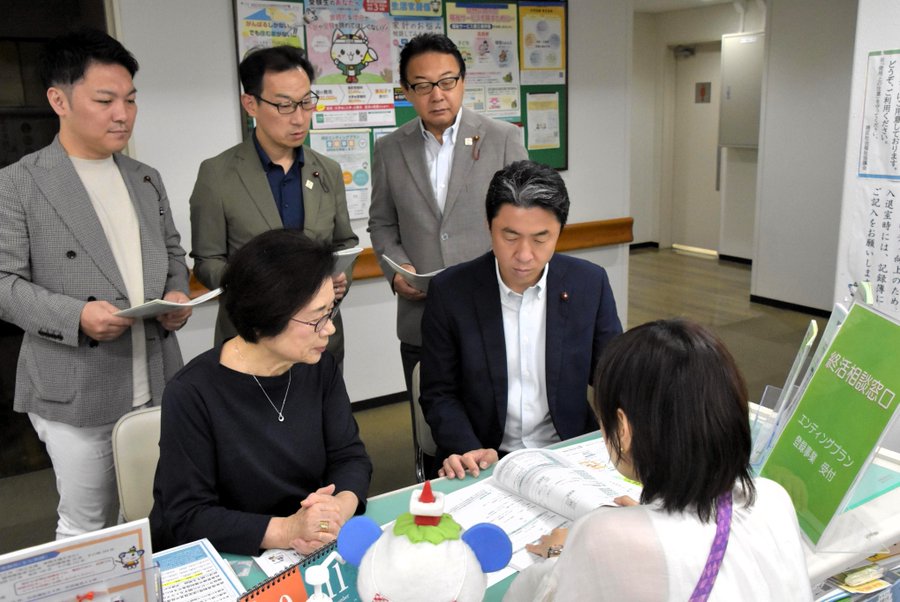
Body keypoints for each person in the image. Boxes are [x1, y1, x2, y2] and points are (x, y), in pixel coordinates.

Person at [0, 29, 191, 538]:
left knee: (163, 512)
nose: (122, 114)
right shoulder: (19, 183)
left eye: (130, 99)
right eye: (105, 101)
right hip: (77, 386)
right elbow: (3, 283)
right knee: (90, 527)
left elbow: (173, 252)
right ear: (58, 100)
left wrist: (177, 293)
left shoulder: (145, 177)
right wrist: (76, 316)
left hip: (157, 376)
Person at [503, 320, 812, 601]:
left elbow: (530, 595)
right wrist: (645, 524)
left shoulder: (603, 536)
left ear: (623, 429)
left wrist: (560, 553)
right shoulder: (773, 498)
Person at [150, 230, 372, 555]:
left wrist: (336, 511)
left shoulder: (318, 366)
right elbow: (188, 515)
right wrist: (287, 530)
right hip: (227, 553)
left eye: (331, 311)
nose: (330, 328)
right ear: (266, 317)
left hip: (304, 546)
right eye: (317, 318)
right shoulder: (192, 393)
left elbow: (350, 457)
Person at [420, 160, 622, 478]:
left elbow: (615, 377)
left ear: (560, 232)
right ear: (489, 226)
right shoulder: (451, 292)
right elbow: (439, 393)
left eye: (540, 239)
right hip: (485, 459)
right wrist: (468, 449)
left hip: (567, 452)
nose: (525, 255)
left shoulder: (589, 284)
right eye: (510, 236)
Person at [368, 32, 529, 406]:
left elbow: (525, 218)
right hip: (421, 314)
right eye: (423, 85)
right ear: (406, 91)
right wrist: (396, 270)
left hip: (493, 310)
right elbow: (382, 222)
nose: (437, 95)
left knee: (496, 415)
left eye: (446, 82)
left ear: (462, 81)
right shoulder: (389, 149)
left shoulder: (503, 139)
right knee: (429, 417)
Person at [190, 45, 358, 362]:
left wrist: (340, 278)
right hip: (251, 340)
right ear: (250, 104)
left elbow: (345, 242)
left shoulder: (327, 170)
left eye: (306, 102)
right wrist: (260, 287)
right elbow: (207, 260)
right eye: (284, 105)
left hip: (320, 339)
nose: (299, 118)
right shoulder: (217, 174)